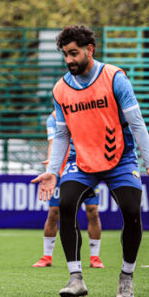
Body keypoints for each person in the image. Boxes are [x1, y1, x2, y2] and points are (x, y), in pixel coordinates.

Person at [32, 25, 149, 297]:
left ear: (90, 50)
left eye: (74, 53)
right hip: (83, 161)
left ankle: (126, 277)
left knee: (131, 211)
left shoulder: (115, 78)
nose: (69, 60)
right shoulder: (60, 89)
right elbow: (62, 133)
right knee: (66, 205)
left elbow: (137, 124)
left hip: (121, 158)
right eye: (65, 54)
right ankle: (75, 278)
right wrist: (52, 172)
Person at [32, 110, 104, 268]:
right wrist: (52, 168)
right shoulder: (54, 117)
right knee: (54, 212)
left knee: (92, 211)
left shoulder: (86, 111)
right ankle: (46, 257)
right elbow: (53, 142)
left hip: (87, 169)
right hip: (62, 171)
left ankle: (95, 258)